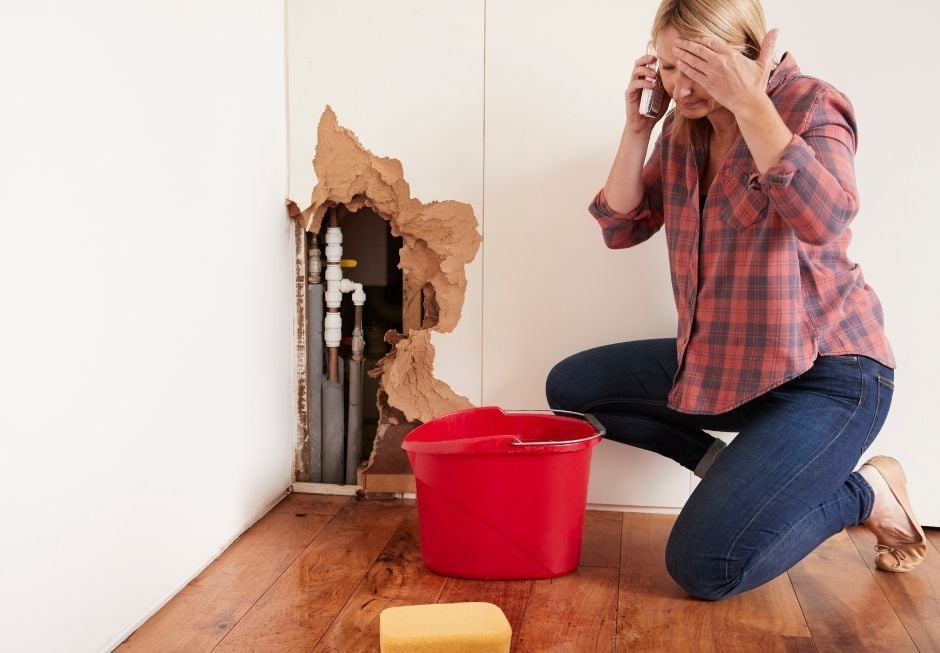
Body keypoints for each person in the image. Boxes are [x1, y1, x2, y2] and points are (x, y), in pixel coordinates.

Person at [545, 0, 927, 600]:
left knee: (705, 568)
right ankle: (731, 475)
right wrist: (638, 127)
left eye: (702, 65)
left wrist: (752, 103)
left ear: (749, 53)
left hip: (832, 374)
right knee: (573, 388)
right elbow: (621, 226)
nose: (684, 85)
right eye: (671, 68)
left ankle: (867, 493)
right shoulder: (680, 130)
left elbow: (824, 218)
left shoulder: (811, 103)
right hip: (734, 362)